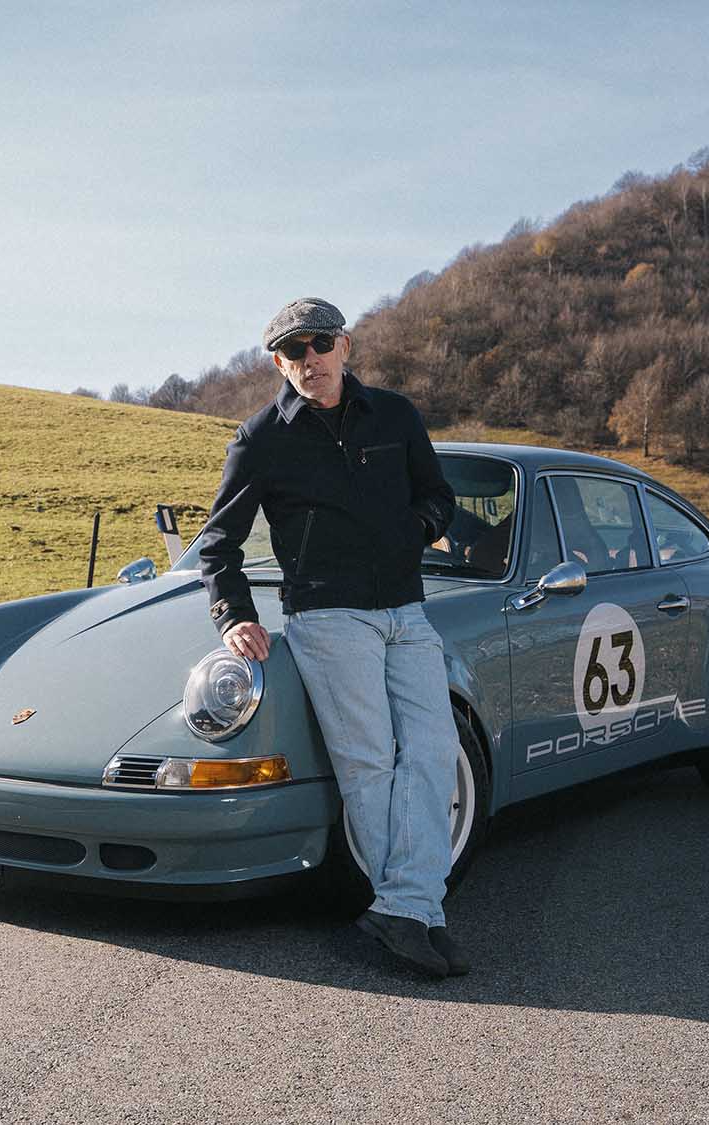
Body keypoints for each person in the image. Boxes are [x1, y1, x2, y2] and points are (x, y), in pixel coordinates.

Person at [195, 297, 469, 978]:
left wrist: (415, 528)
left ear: (346, 345)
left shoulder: (396, 416)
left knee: (435, 751)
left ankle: (406, 908)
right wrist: (234, 615)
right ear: (278, 363)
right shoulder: (261, 438)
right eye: (293, 350)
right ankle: (417, 912)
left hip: (406, 610)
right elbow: (219, 543)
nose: (309, 358)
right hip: (327, 616)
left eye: (320, 343)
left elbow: (439, 497)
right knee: (369, 763)